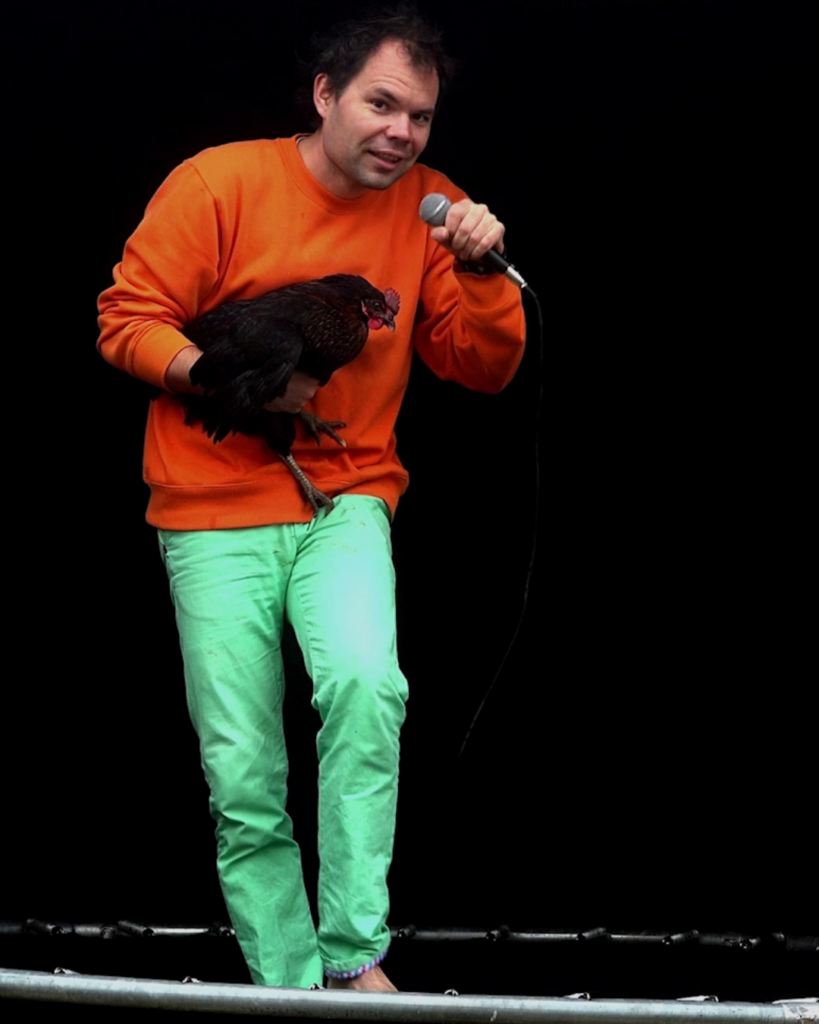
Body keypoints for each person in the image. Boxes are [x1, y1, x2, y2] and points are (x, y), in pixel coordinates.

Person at [97, 8, 525, 992]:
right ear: (326, 94)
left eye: (420, 116)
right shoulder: (217, 184)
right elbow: (126, 319)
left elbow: (482, 366)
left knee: (368, 688)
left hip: (345, 494)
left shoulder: (433, 211)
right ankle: (290, 986)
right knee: (243, 769)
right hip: (209, 506)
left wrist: (479, 270)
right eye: (381, 104)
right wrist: (225, 384)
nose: (401, 132)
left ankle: (354, 955)